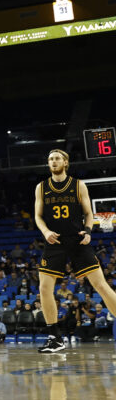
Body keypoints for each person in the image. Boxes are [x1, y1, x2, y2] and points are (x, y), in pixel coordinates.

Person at [34, 149, 116, 353]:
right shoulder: (41, 187)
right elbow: (38, 216)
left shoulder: (79, 185)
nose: (53, 161)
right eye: (50, 158)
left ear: (65, 162)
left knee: (100, 285)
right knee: (44, 288)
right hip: (54, 240)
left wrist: (88, 231)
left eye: (57, 158)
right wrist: (45, 232)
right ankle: (55, 338)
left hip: (77, 239)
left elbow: (89, 213)